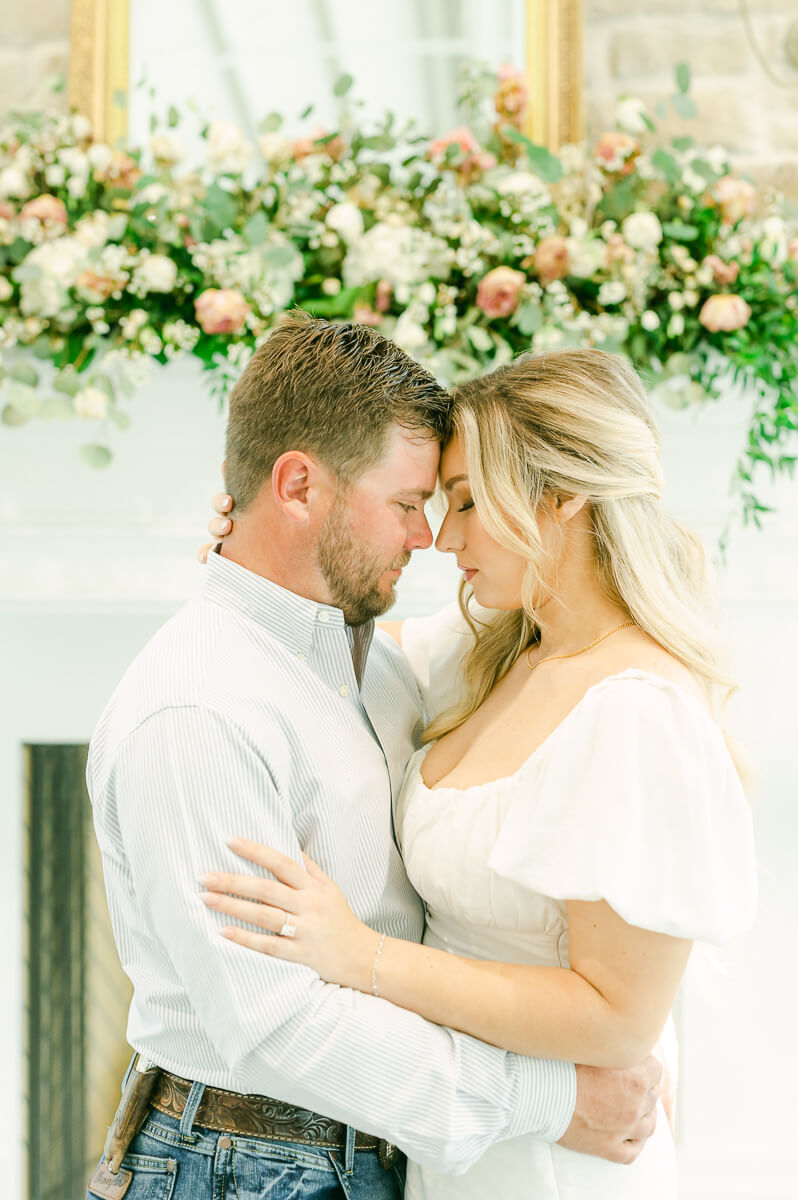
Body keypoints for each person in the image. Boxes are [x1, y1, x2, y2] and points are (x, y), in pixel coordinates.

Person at [86, 318, 661, 1200]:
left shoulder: (380, 663)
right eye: (405, 505)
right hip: (246, 1163)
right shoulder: (197, 713)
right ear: (299, 485)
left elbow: (560, 644)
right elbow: (276, 1024)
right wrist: (548, 1099)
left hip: (371, 1149)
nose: (426, 537)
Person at [202, 345, 757, 1199]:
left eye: (466, 502)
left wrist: (362, 957)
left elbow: (618, 1021)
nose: (442, 536)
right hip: (463, 1146)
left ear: (563, 495)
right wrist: (260, 547)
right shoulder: (491, 652)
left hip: (561, 1162)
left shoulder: (640, 712)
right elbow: (305, 649)